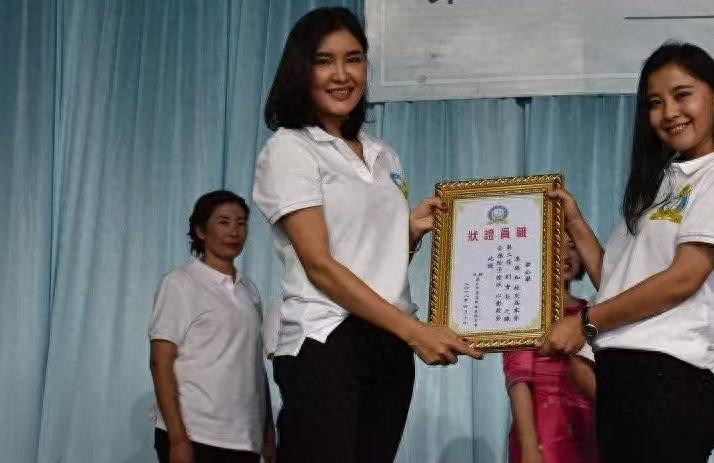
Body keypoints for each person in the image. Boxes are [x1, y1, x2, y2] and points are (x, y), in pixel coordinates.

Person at [252, 7, 482, 463]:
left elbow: (369, 257)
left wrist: (408, 233)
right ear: (301, 71)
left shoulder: (383, 154)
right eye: (324, 61)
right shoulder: (290, 148)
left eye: (353, 59)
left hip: (388, 340)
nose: (342, 75)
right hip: (327, 340)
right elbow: (320, 265)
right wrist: (416, 332)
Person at [540, 42, 714, 462]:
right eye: (655, 103)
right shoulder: (659, 185)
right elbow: (617, 285)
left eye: (682, 94)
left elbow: (684, 277)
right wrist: (577, 224)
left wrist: (585, 323)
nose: (669, 112)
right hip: (622, 376)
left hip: (671, 374)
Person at [148, 191, 276, 463]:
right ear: (201, 231)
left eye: (241, 223)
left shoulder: (249, 290)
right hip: (195, 434)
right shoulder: (180, 283)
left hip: (244, 439)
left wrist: (267, 431)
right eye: (224, 222)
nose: (234, 231)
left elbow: (254, 364)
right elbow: (160, 363)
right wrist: (178, 440)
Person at [503, 235, 598, 463]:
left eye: (572, 246)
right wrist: (529, 448)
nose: (566, 255)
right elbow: (518, 381)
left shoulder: (593, 311)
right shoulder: (524, 309)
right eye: (556, 245)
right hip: (542, 433)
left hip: (590, 430)